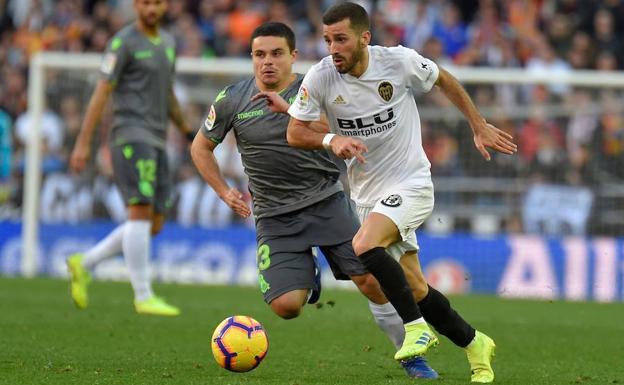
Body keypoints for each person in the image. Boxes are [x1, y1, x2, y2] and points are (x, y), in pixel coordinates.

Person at [287, 2, 518, 383]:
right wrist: (331, 139)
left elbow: (443, 77)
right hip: (368, 197)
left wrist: (477, 124)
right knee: (415, 286)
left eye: (341, 39)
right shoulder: (321, 77)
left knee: (363, 247)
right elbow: (295, 131)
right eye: (327, 40)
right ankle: (476, 344)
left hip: (411, 184)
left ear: (365, 38)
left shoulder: (397, 62)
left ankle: (415, 327)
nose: (333, 48)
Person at [191, 22, 437, 379]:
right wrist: (223, 190)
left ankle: (411, 357)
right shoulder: (232, 98)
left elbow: (342, 127)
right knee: (286, 307)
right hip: (274, 216)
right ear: (252, 58)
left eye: (276, 54)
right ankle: (309, 273)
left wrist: (310, 123)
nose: (268, 62)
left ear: (293, 56)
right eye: (260, 55)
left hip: (326, 202)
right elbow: (200, 147)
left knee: (371, 281)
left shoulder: (316, 86)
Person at [66, 0, 194, 317]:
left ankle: (85, 262)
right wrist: (83, 144)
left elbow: (167, 95)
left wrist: (188, 131)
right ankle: (143, 295)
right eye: (146, 2)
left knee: (153, 223)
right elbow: (101, 92)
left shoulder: (167, 43)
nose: (152, 8)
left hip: (158, 138)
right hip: (130, 134)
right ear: (136, 5)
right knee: (139, 211)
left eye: (158, 3)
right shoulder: (123, 42)